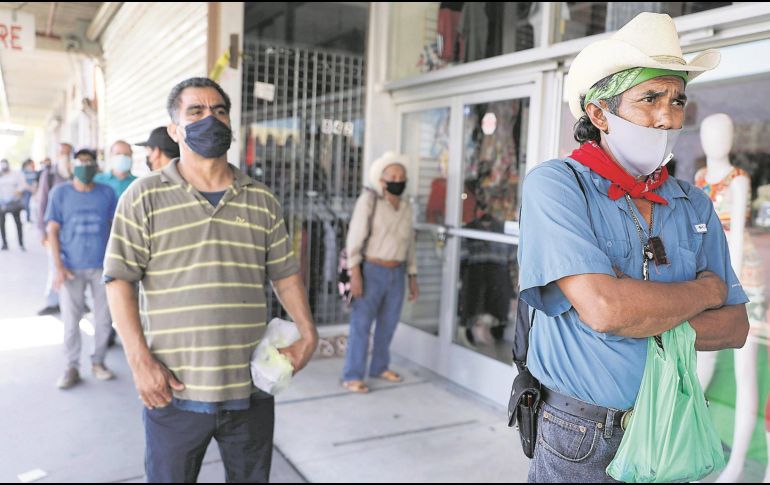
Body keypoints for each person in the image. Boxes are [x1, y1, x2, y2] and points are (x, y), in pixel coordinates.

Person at [518, 13, 750, 482]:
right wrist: (704, 294)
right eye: (650, 99)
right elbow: (607, 310)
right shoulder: (557, 186)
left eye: (677, 99)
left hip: (671, 427)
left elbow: (735, 327)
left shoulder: (693, 203)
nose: (668, 116)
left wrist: (641, 312)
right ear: (600, 113)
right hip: (579, 435)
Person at [103, 77, 318, 483]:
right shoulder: (143, 196)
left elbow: (285, 274)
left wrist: (308, 334)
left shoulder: (260, 198)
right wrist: (139, 362)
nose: (210, 119)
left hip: (251, 388)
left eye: (219, 111)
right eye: (196, 112)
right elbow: (119, 280)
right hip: (174, 391)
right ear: (174, 129)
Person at [694, 113, 766, 482]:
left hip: (739, 282)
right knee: (698, 367)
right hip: (709, 280)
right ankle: (686, 442)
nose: (715, 140)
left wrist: (727, 291)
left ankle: (737, 462)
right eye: (709, 133)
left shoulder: (739, 182)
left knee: (743, 373)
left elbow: (735, 241)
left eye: (722, 133)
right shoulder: (700, 180)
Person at [342, 151, 419, 394]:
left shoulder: (407, 207)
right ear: (382, 180)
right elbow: (354, 237)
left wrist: (412, 276)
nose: (398, 179)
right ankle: (353, 374)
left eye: (401, 176)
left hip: (397, 273)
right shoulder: (369, 201)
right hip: (370, 271)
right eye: (393, 175)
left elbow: (410, 244)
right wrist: (354, 272)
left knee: (388, 324)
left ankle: (379, 367)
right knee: (361, 325)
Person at [45, 149, 117, 389]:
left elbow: (115, 228)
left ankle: (98, 361)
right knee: (70, 320)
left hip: (102, 267)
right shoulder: (60, 193)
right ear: (73, 165)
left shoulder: (106, 193)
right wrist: (58, 267)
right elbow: (52, 231)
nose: (85, 166)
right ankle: (71, 367)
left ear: (96, 166)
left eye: (89, 162)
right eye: (81, 162)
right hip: (71, 268)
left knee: (104, 319)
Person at [37, 143, 74, 316]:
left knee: (72, 266)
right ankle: (53, 301)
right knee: (55, 264)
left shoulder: (75, 172)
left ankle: (72, 300)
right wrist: (41, 230)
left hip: (73, 231)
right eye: (62, 152)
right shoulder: (49, 175)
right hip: (53, 229)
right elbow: (42, 202)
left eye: (68, 152)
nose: (65, 155)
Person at [0, 159, 27, 251]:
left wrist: (16, 193)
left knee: (18, 223)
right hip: (2, 203)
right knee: (2, 224)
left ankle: (21, 244)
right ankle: (4, 244)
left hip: (14, 203)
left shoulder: (16, 174)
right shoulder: (1, 175)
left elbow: (22, 185)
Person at [21, 159, 38, 223]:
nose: (33, 164)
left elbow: (35, 181)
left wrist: (34, 188)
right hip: (27, 191)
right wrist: (31, 188)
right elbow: (23, 182)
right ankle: (28, 218)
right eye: (31, 163)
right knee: (27, 204)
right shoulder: (23, 172)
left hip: (34, 190)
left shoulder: (33, 172)